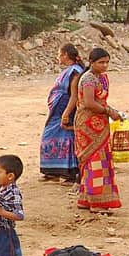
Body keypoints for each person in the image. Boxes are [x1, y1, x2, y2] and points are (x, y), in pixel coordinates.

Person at [74, 48, 123, 213]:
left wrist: (113, 112)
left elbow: (100, 101)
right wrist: (109, 111)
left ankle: (85, 199)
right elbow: (89, 103)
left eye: (107, 62)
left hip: (99, 124)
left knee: (99, 160)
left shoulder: (101, 77)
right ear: (91, 62)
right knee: (94, 160)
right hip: (87, 124)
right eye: (101, 62)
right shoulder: (88, 78)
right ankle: (96, 203)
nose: (105, 65)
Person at [39, 44, 85, 183]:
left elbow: (74, 95)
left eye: (59, 54)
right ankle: (52, 171)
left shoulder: (75, 72)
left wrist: (66, 113)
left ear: (65, 55)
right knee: (51, 136)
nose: (58, 57)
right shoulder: (69, 71)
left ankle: (68, 172)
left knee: (65, 137)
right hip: (57, 112)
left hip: (66, 111)